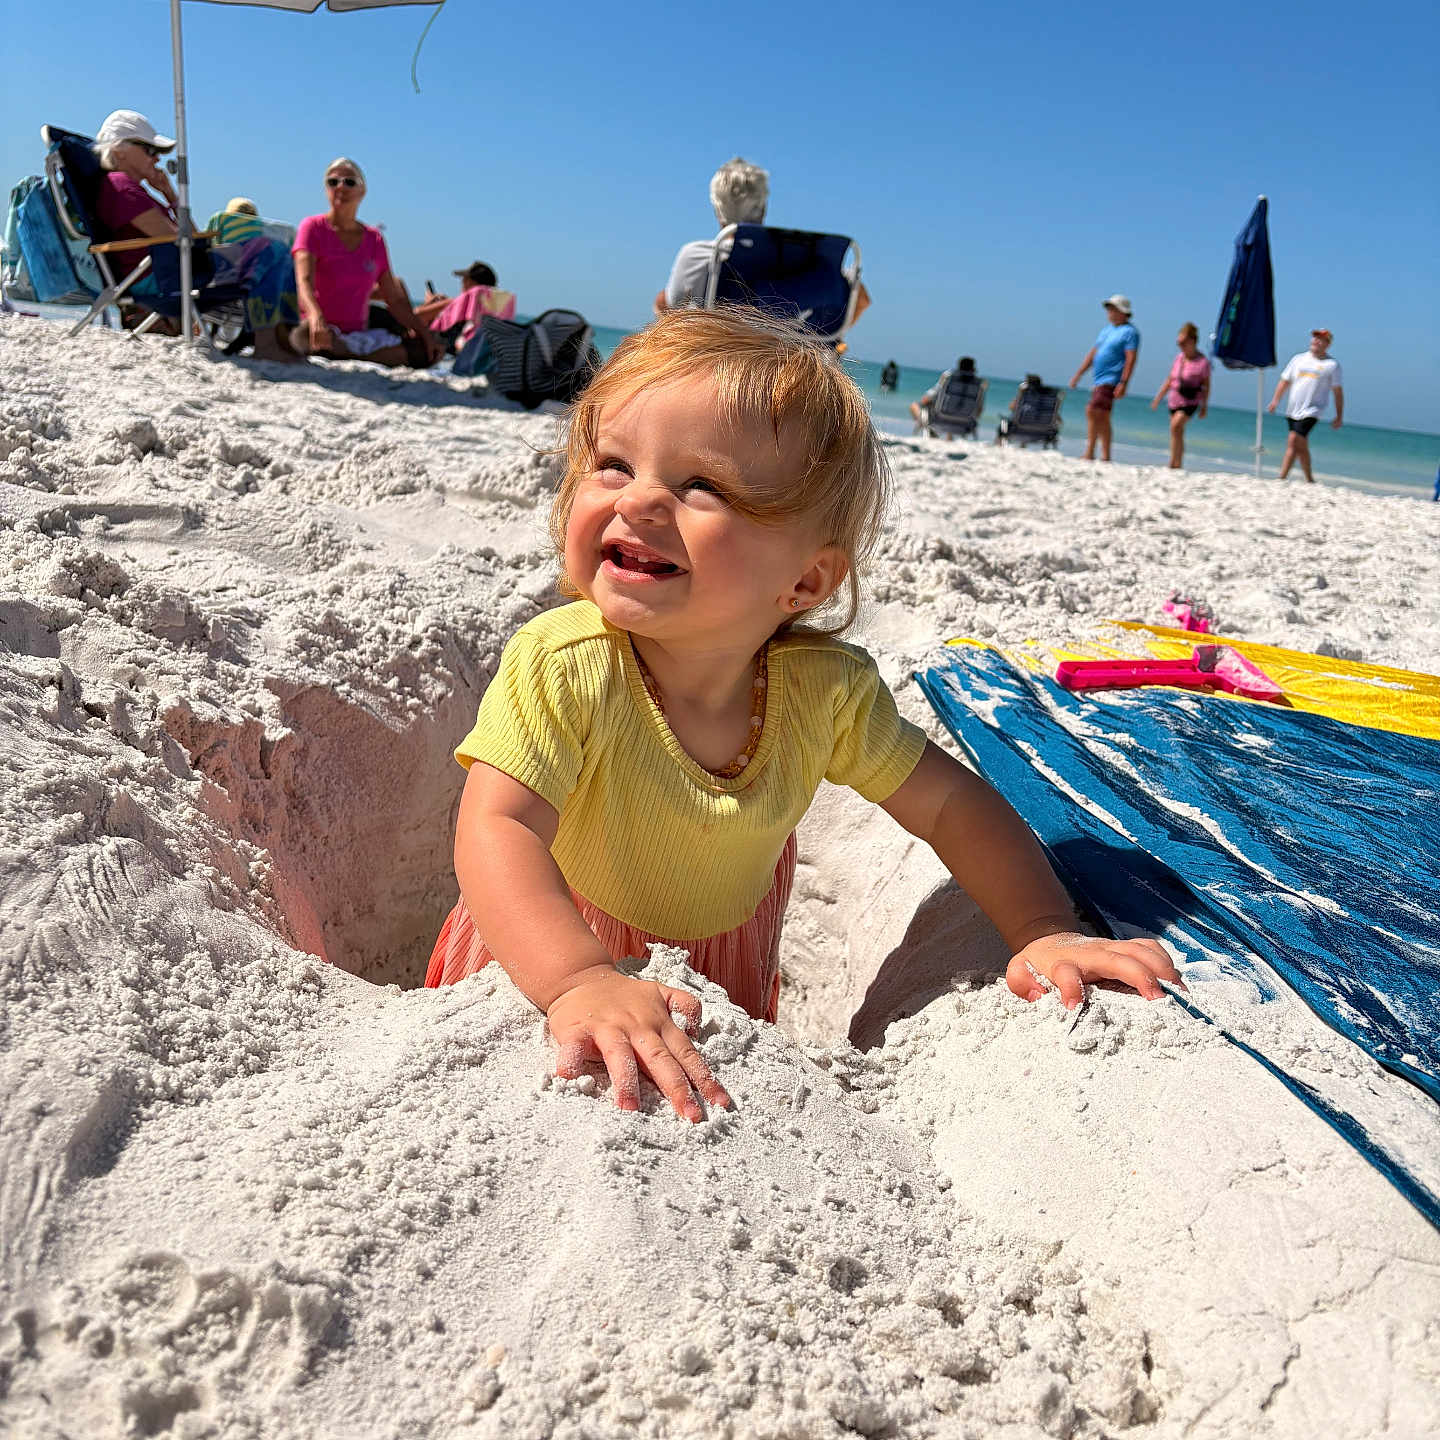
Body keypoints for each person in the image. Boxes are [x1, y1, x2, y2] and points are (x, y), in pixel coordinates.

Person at [423, 307, 1180, 1120]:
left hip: (724, 951)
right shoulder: (566, 662)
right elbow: (498, 829)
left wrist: (1041, 928)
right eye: (611, 464)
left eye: (700, 485)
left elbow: (953, 806)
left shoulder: (824, 691)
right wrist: (578, 979)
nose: (637, 499)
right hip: (544, 936)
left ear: (807, 583)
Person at [91, 110, 299, 362]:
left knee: (274, 253)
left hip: (171, 271)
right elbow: (176, 239)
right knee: (268, 252)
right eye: (149, 150)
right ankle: (269, 344)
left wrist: (170, 194)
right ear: (119, 149)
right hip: (163, 279)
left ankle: (282, 342)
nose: (156, 158)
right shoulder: (122, 187)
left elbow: (189, 239)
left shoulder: (132, 190)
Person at [654, 156, 871, 325]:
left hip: (722, 358)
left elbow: (672, 312)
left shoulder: (700, 256)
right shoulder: (802, 258)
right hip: (783, 361)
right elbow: (862, 300)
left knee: (662, 302)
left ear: (716, 208)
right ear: (764, 207)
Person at [288, 158, 441, 368]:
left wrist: (424, 333)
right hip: (317, 327)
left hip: (358, 333)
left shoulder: (374, 239)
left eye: (349, 182)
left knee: (425, 351)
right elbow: (304, 281)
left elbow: (394, 299)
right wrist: (316, 316)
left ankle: (351, 355)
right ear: (326, 190)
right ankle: (355, 354)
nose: (340, 187)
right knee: (307, 336)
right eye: (333, 182)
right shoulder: (312, 227)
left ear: (362, 191)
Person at [1267, 329, 1344, 483]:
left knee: (1293, 439)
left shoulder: (1332, 365)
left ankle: (1282, 477)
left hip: (1313, 410)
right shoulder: (1298, 359)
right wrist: (1275, 400)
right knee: (1299, 445)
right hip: (1293, 408)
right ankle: (1309, 479)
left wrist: (1339, 415)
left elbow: (1337, 391)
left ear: (1327, 344)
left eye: (1321, 339)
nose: (1316, 341)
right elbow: (1285, 381)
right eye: (1314, 338)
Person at [1069, 295, 1140, 462]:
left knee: (1093, 410)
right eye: (1109, 309)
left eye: (1113, 309)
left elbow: (1131, 358)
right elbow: (1093, 354)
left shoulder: (1130, 332)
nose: (1109, 312)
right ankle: (1105, 455)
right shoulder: (1107, 330)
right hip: (1098, 379)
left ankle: (1090, 451)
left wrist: (1123, 382)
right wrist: (1079, 374)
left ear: (1123, 312)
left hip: (1111, 379)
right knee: (1103, 415)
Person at [413, 261, 517, 352]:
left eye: (464, 279)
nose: (462, 282)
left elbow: (416, 316)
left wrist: (430, 303)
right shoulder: (499, 303)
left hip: (456, 348)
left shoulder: (467, 297)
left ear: (471, 281)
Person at [1150, 322, 1211, 468]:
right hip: (1174, 399)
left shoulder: (1203, 362)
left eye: (1183, 342)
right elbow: (1170, 379)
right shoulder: (1179, 358)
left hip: (1190, 401)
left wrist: (1204, 407)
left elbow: (1206, 386)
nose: (1180, 345)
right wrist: (1158, 398)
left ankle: (1174, 462)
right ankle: (1176, 462)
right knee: (1177, 432)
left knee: (1175, 426)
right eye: (1179, 342)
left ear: (1192, 341)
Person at [909, 356, 984, 438]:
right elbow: (979, 411)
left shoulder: (948, 377)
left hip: (939, 421)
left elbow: (926, 399)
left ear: (959, 366)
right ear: (973, 368)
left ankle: (929, 431)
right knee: (953, 412)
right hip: (965, 425)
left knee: (914, 406)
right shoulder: (979, 384)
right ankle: (948, 438)